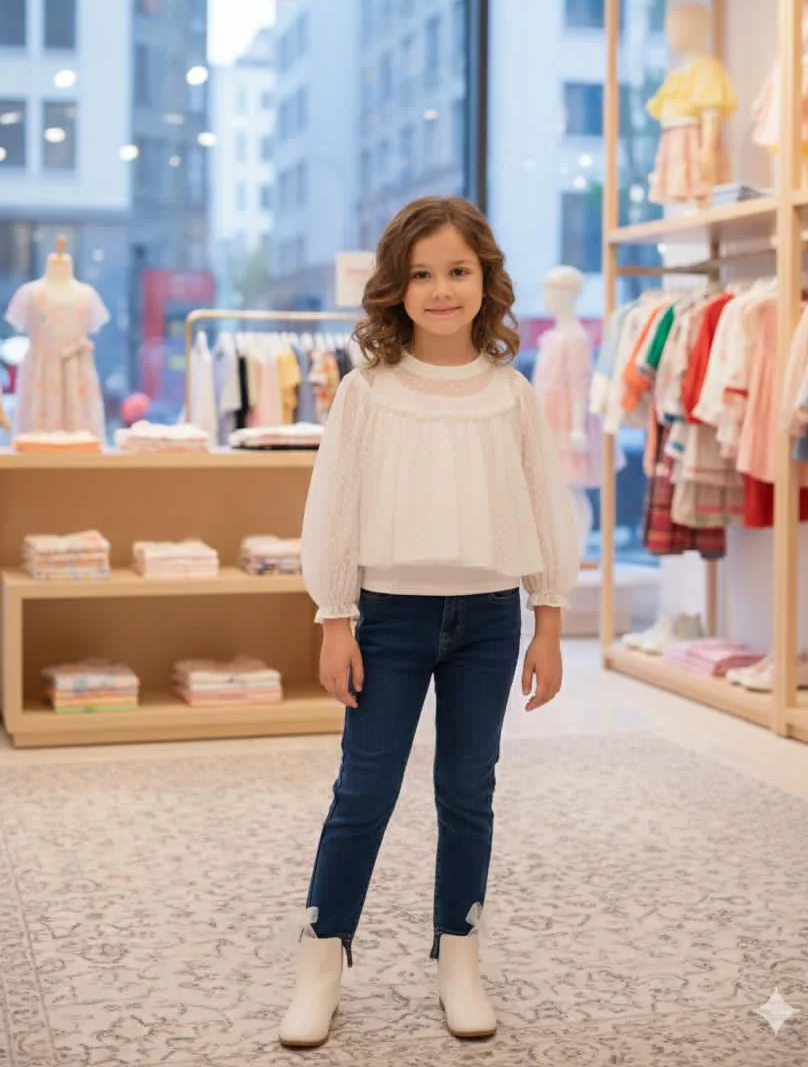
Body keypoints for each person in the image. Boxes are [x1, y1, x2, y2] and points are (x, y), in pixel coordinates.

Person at [279, 196, 579, 1050]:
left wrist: (548, 620)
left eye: (457, 271)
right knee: (363, 789)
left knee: (467, 790)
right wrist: (335, 618)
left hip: (489, 620)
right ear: (396, 289)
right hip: (389, 621)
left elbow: (543, 509)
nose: (440, 290)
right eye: (421, 275)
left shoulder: (512, 394)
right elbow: (334, 509)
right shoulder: (367, 392)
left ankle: (459, 952)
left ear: (485, 280)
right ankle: (322, 955)